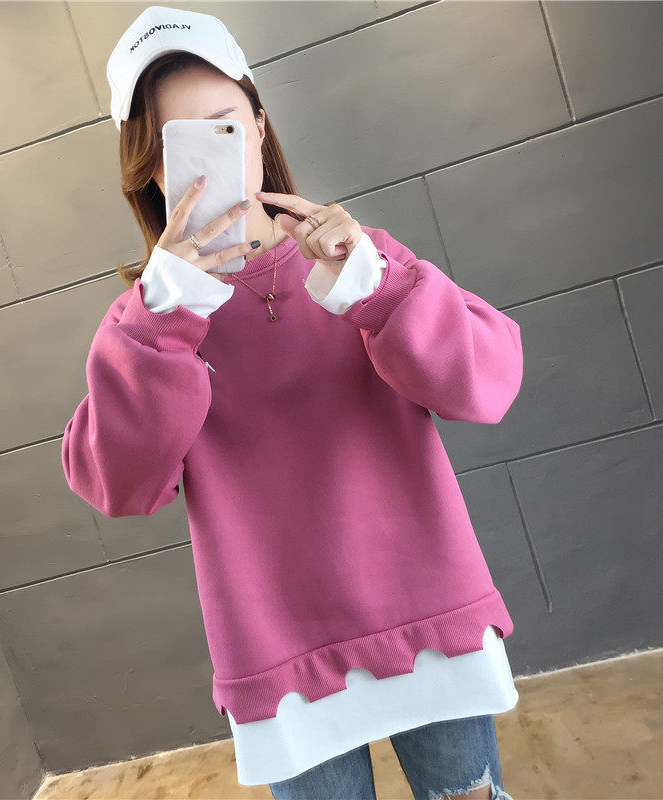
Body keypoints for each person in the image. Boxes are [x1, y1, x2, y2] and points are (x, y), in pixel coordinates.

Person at [63, 6, 524, 798]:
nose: (207, 163)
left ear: (259, 126)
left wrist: (378, 288)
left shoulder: (354, 259)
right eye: (178, 146)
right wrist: (164, 316)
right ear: (148, 170)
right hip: (278, 654)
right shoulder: (148, 325)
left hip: (426, 611)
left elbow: (487, 381)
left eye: (224, 128)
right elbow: (118, 483)